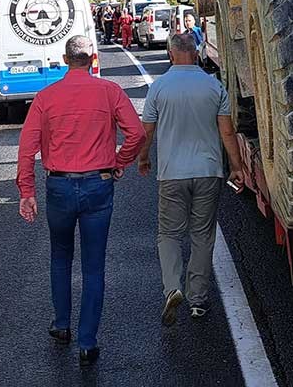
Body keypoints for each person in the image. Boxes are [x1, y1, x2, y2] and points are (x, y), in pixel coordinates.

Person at [16, 35, 146, 365]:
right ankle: (88, 341)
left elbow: (26, 149)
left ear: (64, 58)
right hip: (98, 185)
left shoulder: (45, 97)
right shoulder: (110, 92)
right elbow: (137, 133)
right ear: (92, 59)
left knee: (60, 256)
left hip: (58, 186)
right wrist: (119, 162)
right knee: (93, 264)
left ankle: (61, 324)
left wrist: (26, 192)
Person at [137, 33, 245, 325]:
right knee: (202, 235)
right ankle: (198, 301)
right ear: (196, 54)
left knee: (169, 234)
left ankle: (173, 287)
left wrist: (144, 157)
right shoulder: (213, 86)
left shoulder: (158, 88)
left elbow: (147, 131)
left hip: (172, 173)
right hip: (208, 171)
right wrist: (236, 166)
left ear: (171, 55)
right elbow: (226, 132)